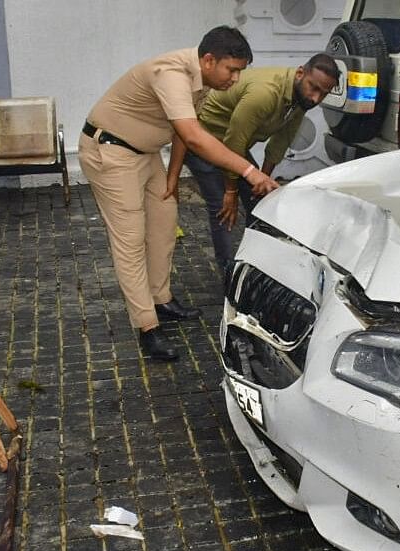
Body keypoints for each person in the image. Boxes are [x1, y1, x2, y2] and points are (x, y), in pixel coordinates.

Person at [80, 26, 278, 362]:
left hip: (147, 154)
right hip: (111, 152)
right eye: (232, 70)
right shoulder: (171, 75)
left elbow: (182, 131)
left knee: (164, 225)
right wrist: (249, 171)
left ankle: (161, 298)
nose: (235, 79)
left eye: (240, 71)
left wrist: (172, 177)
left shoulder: (200, 77)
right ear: (208, 60)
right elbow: (195, 136)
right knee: (130, 240)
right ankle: (147, 326)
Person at [166, 53, 338, 279]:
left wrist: (262, 181)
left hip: (233, 144)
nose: (316, 98)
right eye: (313, 88)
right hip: (204, 138)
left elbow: (280, 142)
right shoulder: (265, 93)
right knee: (223, 208)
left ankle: (257, 262)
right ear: (299, 74)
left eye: (323, 93)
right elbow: (234, 140)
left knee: (262, 202)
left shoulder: (301, 98)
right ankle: (229, 274)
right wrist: (231, 191)